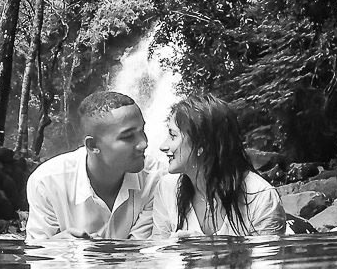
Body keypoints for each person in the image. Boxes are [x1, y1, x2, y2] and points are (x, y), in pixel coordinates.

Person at [25, 91, 166, 240]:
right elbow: (38, 254)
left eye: (142, 131)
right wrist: (55, 245)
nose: (144, 144)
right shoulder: (48, 182)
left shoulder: (157, 178)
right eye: (128, 137)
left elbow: (144, 252)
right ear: (92, 145)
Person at [153, 94, 287, 238]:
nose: (163, 146)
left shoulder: (260, 196)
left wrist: (207, 250)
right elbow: (158, 254)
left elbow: (268, 259)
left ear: (201, 144)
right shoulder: (167, 188)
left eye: (173, 136)